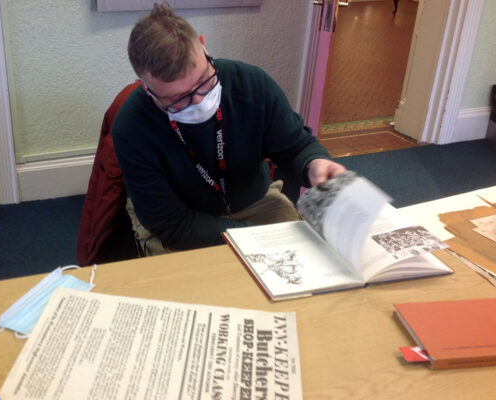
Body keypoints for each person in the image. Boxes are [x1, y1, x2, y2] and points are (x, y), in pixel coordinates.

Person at [112, 3, 346, 255]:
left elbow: (296, 146)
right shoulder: (132, 126)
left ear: (203, 45)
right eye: (179, 99)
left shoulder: (251, 84)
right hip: (182, 221)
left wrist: (314, 163)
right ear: (146, 88)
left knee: (307, 262)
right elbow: (171, 224)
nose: (200, 101)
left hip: (253, 202)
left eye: (204, 80)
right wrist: (253, 239)